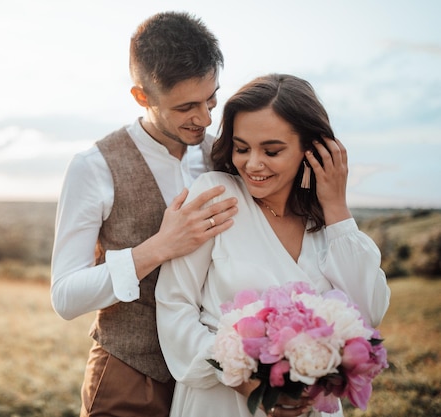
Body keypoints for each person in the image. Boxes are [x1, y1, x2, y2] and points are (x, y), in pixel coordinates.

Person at [155, 73, 391, 417]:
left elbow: (366, 316)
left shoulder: (329, 226)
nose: (252, 164)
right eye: (241, 148)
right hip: (220, 401)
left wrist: (337, 208)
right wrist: (244, 381)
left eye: (272, 150)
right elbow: (174, 307)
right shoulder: (216, 195)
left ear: (311, 150)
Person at [50, 11, 239, 417]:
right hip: (130, 375)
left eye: (212, 99)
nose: (205, 119)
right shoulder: (93, 166)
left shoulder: (224, 156)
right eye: (187, 106)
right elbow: (64, 296)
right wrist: (156, 248)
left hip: (212, 377)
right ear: (142, 97)